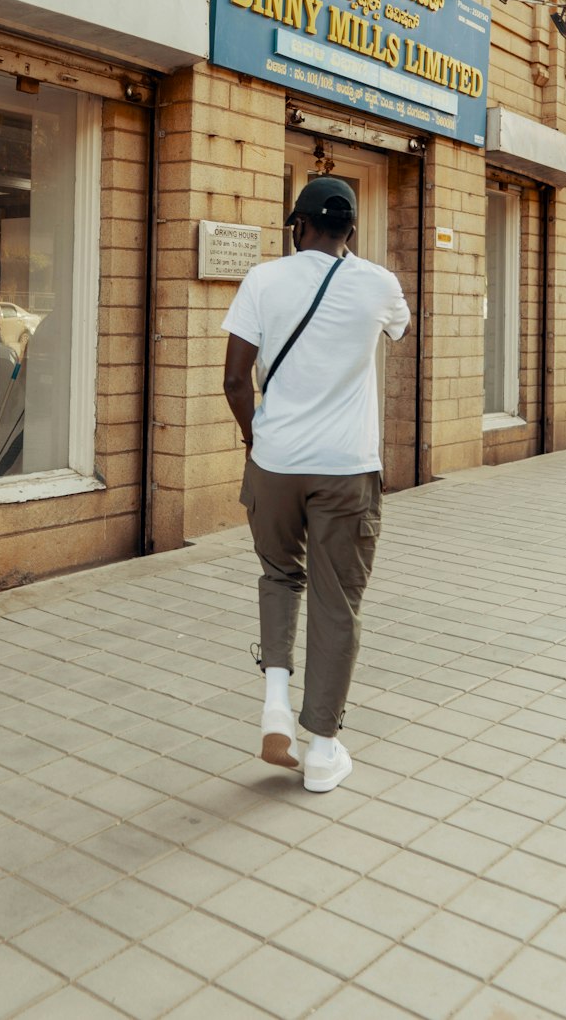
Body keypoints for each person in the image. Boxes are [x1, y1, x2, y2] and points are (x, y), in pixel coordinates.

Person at [222, 178, 410, 793]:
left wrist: (258, 441)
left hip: (275, 465)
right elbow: (400, 331)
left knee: (280, 576)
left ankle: (275, 701)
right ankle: (323, 751)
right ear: (349, 231)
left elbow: (234, 380)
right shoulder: (379, 283)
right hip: (347, 469)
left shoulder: (263, 280)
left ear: (297, 225)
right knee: (338, 602)